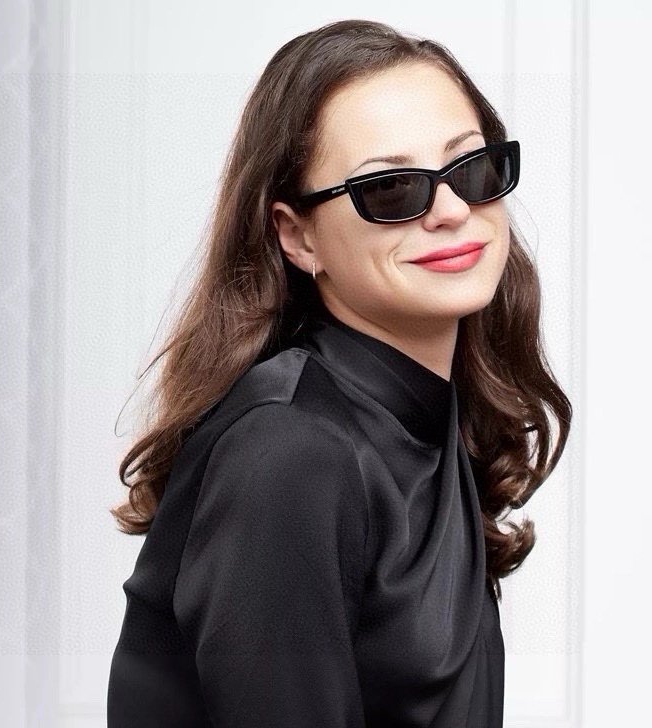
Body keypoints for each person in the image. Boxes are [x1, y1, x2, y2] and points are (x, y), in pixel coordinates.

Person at [106, 18, 572, 728]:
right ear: (297, 236)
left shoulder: (426, 415)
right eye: (390, 189)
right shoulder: (291, 454)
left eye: (471, 169)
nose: (452, 211)